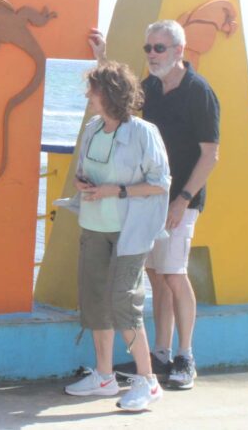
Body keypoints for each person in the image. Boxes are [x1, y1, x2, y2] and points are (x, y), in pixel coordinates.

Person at [90, 21, 219, 390]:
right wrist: (102, 59)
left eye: (159, 48)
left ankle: (185, 356)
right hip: (150, 197)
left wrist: (182, 200)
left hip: (182, 199)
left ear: (179, 51)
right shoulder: (150, 89)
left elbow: (211, 155)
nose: (151, 55)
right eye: (148, 48)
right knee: (155, 274)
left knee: (175, 273)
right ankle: (159, 352)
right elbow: (118, 99)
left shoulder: (199, 92)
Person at [59, 62, 170, 412]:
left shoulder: (143, 132)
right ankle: (104, 376)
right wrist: (82, 184)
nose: (88, 96)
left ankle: (147, 381)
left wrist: (116, 191)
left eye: (92, 90)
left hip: (129, 232)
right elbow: (83, 170)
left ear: (109, 94)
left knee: (124, 302)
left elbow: (160, 183)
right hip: (93, 227)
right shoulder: (93, 128)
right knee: (94, 301)